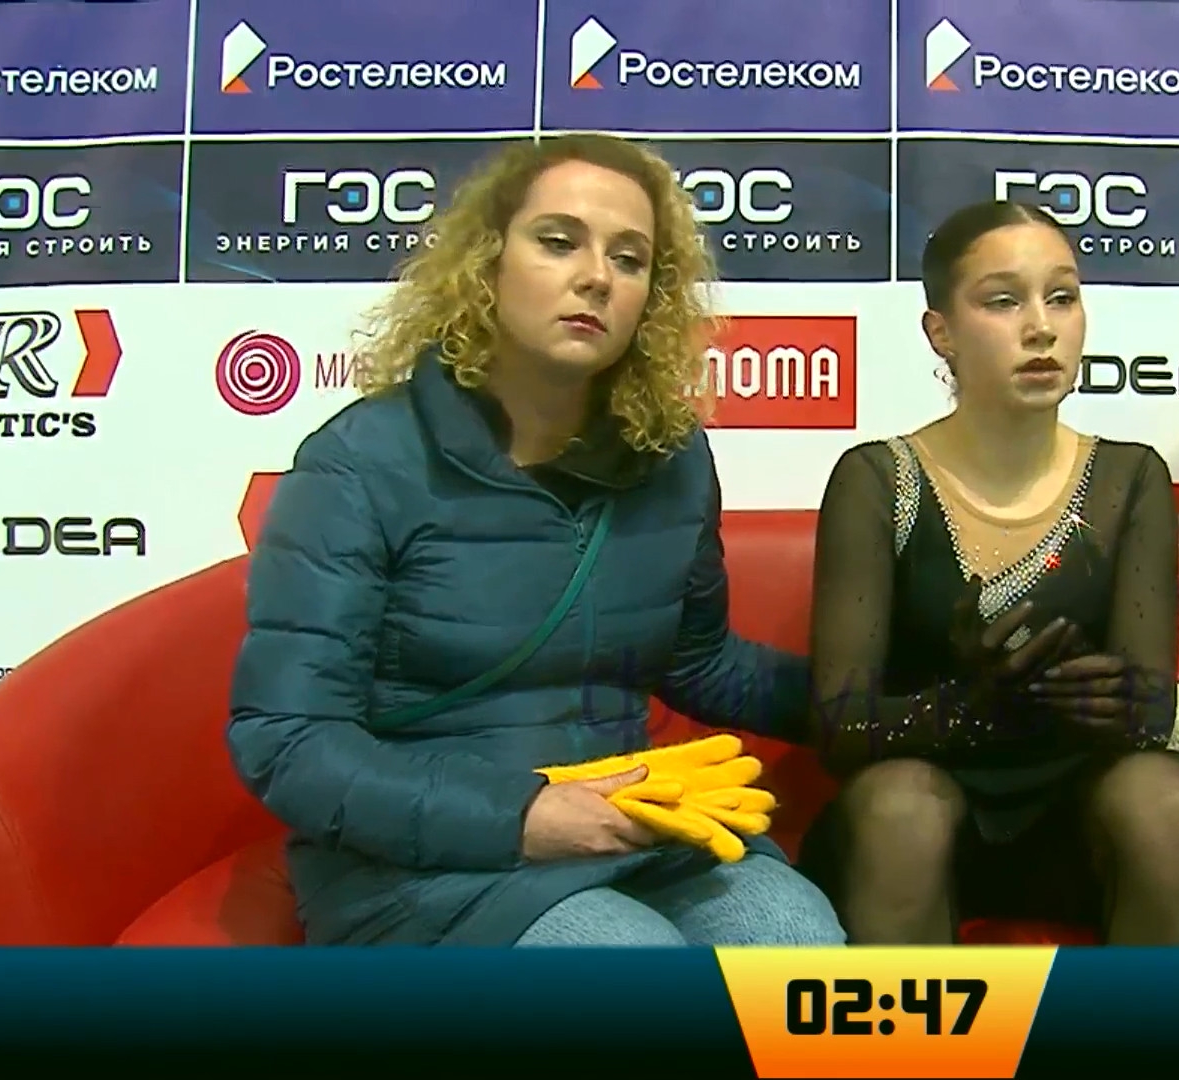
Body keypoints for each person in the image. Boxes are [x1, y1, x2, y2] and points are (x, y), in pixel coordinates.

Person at [227, 134, 845, 948]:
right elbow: (289, 738)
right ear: (486, 263)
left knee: (796, 940)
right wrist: (522, 818)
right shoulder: (359, 464)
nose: (597, 276)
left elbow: (698, 662)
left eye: (629, 259)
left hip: (631, 822)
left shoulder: (670, 457)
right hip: (421, 865)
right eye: (559, 242)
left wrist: (885, 702)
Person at [797, 200, 1179, 946]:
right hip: (915, 814)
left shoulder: (1130, 476)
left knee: (1161, 798)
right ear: (941, 333)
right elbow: (840, 727)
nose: (1041, 327)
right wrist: (971, 705)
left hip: (1080, 825)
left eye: (1061, 297)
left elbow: (1150, 714)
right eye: (1003, 301)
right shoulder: (876, 477)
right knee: (903, 809)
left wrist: (1083, 689)